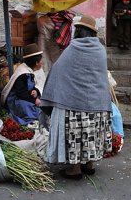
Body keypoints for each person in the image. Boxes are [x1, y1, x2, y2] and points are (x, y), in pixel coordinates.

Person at [40, 14, 112, 180]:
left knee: (76, 134)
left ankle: (75, 168)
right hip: (98, 104)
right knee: (92, 133)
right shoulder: (101, 50)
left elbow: (57, 71)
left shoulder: (72, 49)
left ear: (78, 32)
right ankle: (90, 164)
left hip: (74, 105)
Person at [1, 43, 43, 125]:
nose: (42, 63)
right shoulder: (22, 73)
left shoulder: (29, 70)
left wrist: (35, 90)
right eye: (41, 61)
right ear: (36, 62)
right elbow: (20, 92)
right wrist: (34, 100)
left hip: (25, 95)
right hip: (16, 99)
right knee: (29, 106)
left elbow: (35, 85)